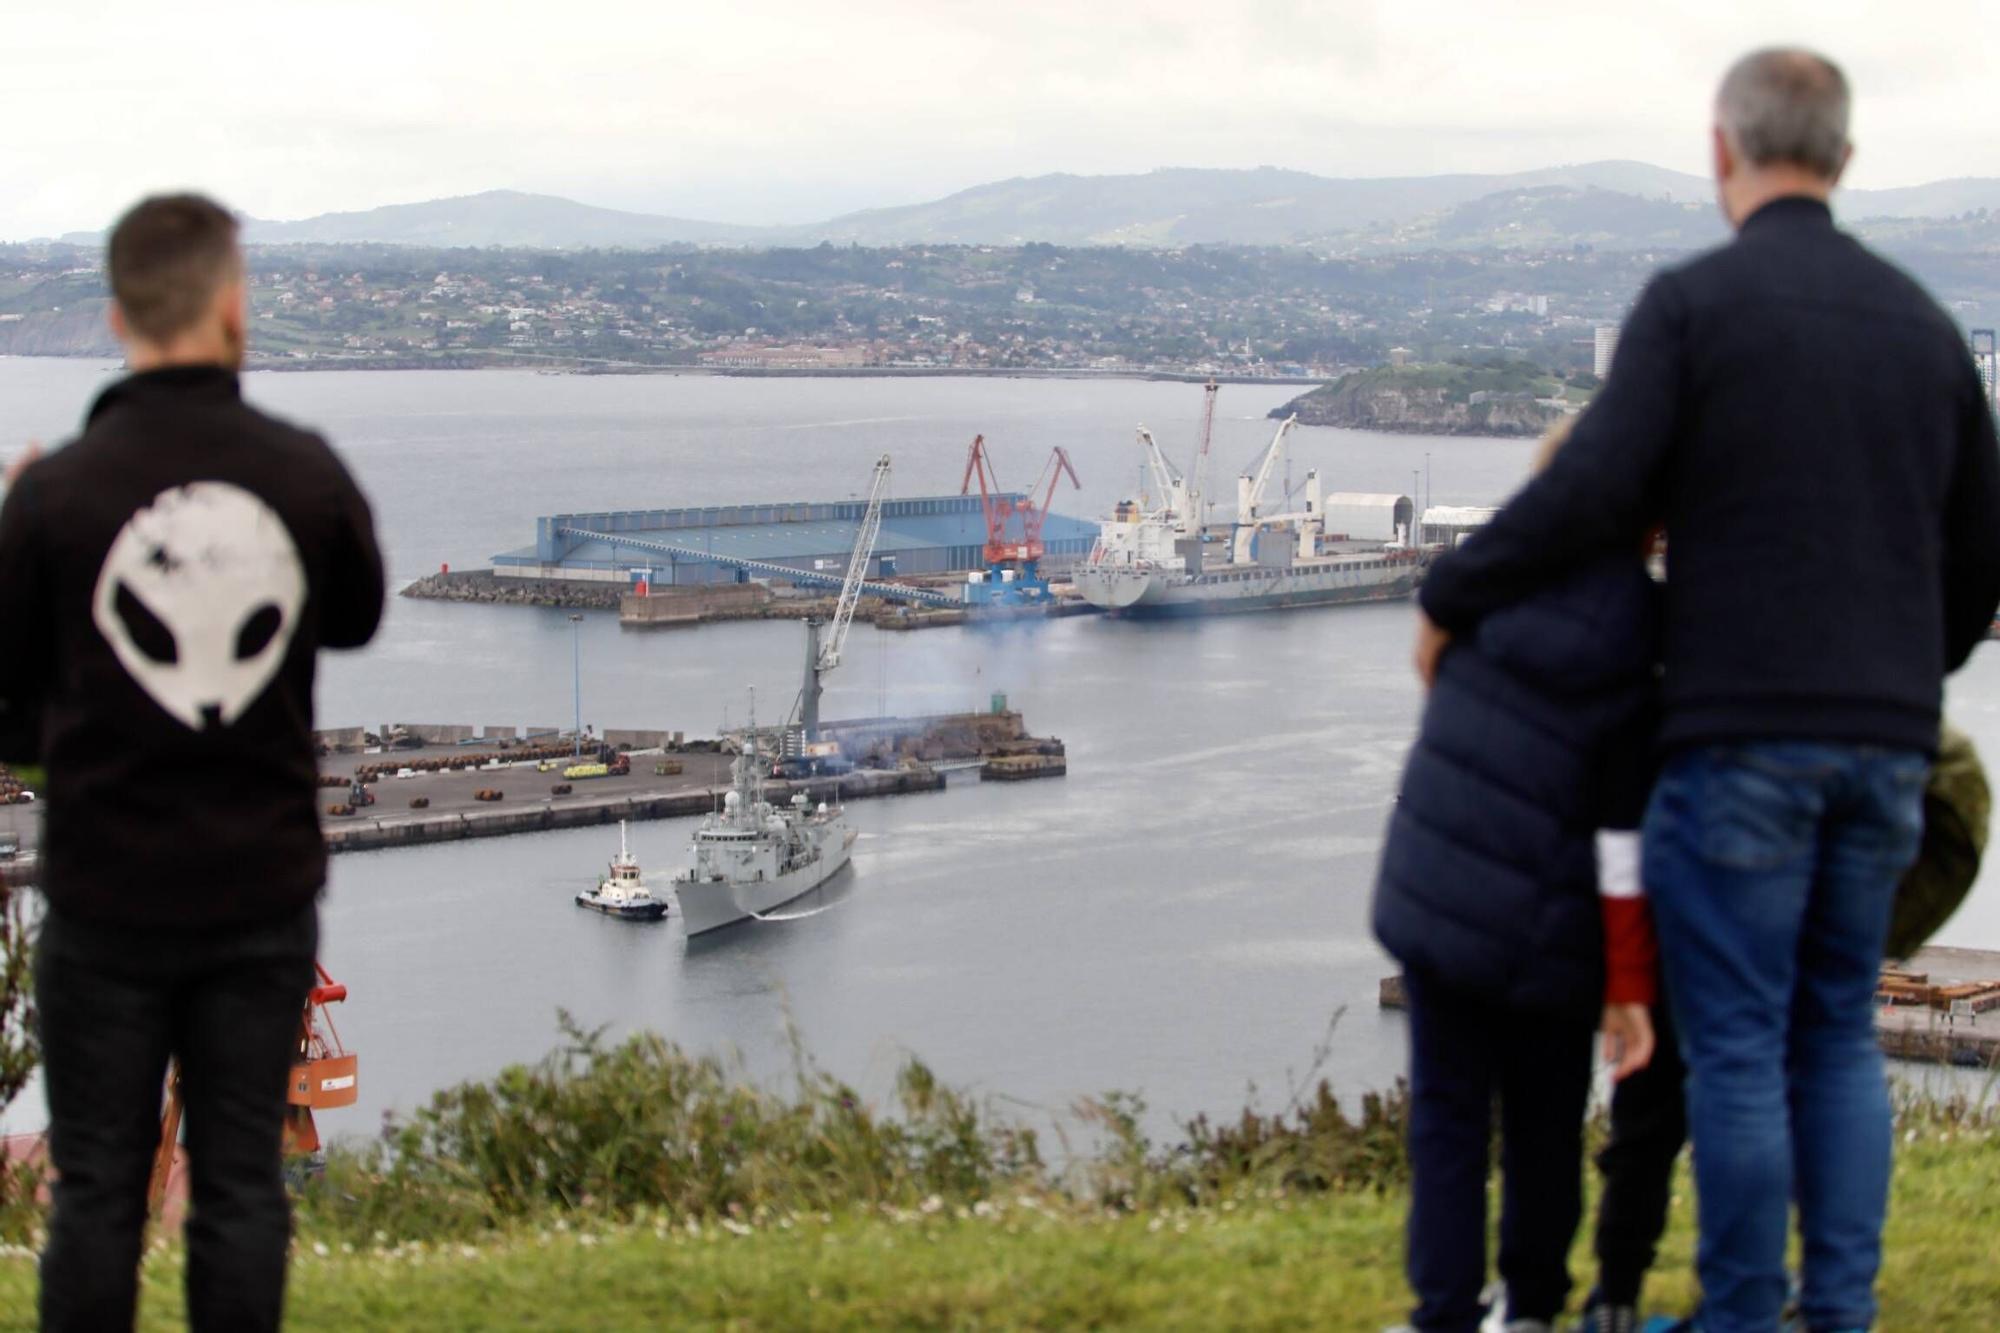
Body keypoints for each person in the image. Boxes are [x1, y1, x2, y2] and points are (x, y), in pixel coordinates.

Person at [1414, 49, 2000, 1333]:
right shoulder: (1922, 328)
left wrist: (1452, 594)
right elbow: (1977, 569)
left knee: (1732, 1044)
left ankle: (1738, 1316)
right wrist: (1901, 682)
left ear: (1719, 151)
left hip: (1741, 744)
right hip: (1884, 748)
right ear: (1840, 159)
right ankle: (1831, 1311)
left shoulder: (1693, 309)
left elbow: (1588, 493)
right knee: (1836, 1032)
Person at [0, 194, 385, 1331]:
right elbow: (357, 615)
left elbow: (9, 721)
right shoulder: (303, 475)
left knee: (98, 1195)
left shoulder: (51, 498)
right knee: (237, 1188)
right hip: (259, 898)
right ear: (233, 307)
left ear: (117, 316)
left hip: (106, 898)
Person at [1374, 419, 1662, 1333]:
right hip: (1550, 924)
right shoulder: (1643, 634)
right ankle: (1531, 1306)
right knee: (1543, 1126)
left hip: (1437, 892)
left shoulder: (1480, 586)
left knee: (1449, 1119)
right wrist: (1627, 983)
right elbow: (1623, 836)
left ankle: (1443, 1313)